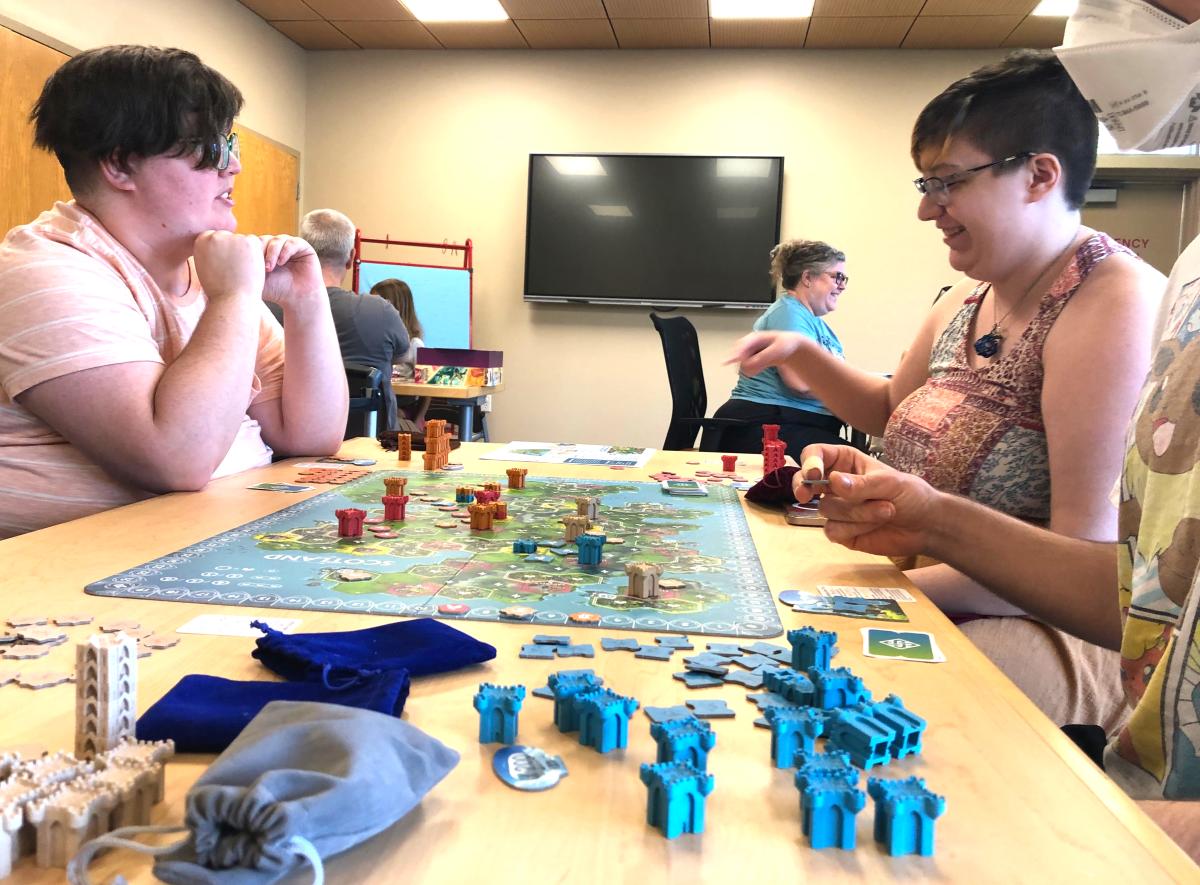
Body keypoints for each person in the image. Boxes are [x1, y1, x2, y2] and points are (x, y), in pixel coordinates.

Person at [737, 0, 1200, 859]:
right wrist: (805, 360)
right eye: (926, 185)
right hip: (930, 583)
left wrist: (879, 583)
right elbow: (890, 407)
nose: (930, 209)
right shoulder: (964, 296)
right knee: (786, 669)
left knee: (835, 704)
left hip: (1046, 627)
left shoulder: (1112, 303)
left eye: (948, 182)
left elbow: (1092, 564)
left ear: (1039, 174)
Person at [0, 45, 347, 540]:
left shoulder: (207, 271)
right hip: (71, 567)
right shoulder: (45, 268)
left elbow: (311, 435)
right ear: (120, 165)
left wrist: (306, 301)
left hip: (202, 542)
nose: (233, 166)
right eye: (210, 149)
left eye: (230, 144)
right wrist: (235, 298)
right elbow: (177, 459)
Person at [711, 240, 851, 456]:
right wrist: (850, 394)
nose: (842, 286)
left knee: (859, 461)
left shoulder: (813, 322)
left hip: (793, 422)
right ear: (807, 278)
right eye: (837, 277)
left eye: (844, 279)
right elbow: (800, 383)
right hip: (767, 426)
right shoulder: (789, 313)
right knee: (858, 464)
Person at [299, 210, 409, 433]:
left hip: (288, 446)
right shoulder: (381, 312)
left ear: (302, 252)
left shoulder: (270, 309)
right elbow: (403, 357)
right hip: (371, 441)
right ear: (351, 257)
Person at [370, 278, 430, 427]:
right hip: (381, 404)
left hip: (403, 410)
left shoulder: (415, 344)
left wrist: (419, 418)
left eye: (378, 303)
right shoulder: (375, 341)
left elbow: (427, 388)